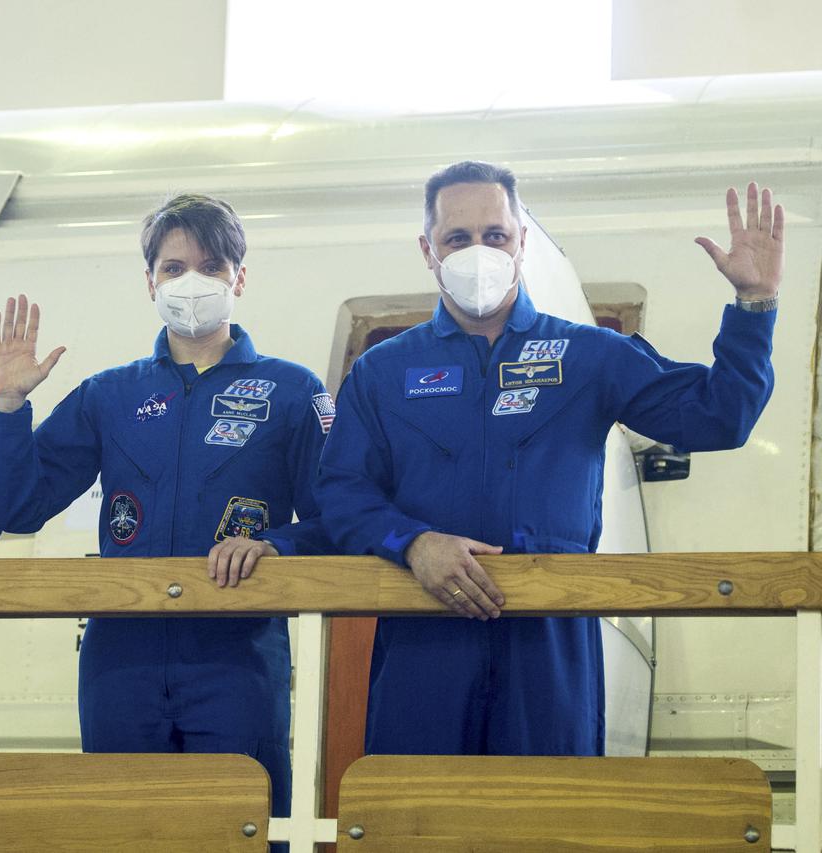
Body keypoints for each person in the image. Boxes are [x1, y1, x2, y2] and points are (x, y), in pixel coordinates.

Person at [317, 160, 781, 756]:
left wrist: (754, 305)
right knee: (417, 818)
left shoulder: (588, 355)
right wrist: (412, 543)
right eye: (457, 238)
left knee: (549, 816)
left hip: (551, 633)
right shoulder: (382, 372)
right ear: (428, 250)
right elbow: (340, 492)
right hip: (424, 628)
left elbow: (719, 417)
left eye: (495, 235)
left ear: (521, 243)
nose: (477, 251)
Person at [0, 194, 334, 827]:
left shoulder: (294, 391)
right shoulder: (109, 395)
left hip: (238, 655)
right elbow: (20, 508)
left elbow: (336, 518)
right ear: (150, 282)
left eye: (211, 265)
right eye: (173, 268)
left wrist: (276, 546)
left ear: (241, 277)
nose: (191, 281)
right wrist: (8, 406)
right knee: (125, 830)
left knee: (240, 828)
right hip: (121, 655)